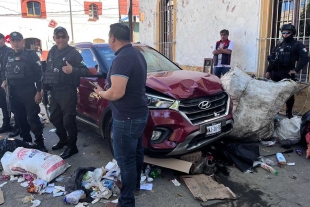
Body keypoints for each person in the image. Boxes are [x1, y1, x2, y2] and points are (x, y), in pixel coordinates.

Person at [94, 23, 149, 207]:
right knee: (136, 154)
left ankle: (126, 202)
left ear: (112, 38)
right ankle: (134, 188)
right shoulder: (136, 54)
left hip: (127, 117)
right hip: (138, 113)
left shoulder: (123, 58)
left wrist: (101, 92)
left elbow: (117, 93)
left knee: (125, 160)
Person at [43, 26, 89, 159]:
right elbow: (48, 71)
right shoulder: (52, 51)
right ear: (54, 39)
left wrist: (72, 70)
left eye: (63, 36)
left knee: (68, 120)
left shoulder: (73, 53)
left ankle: (72, 146)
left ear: (68, 38)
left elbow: (85, 70)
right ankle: (63, 140)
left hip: (68, 91)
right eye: (58, 37)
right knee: (54, 118)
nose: (61, 39)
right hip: (54, 91)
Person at [1, 32, 47, 151]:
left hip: (29, 92)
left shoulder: (31, 55)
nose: (16, 43)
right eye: (13, 41)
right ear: (10, 42)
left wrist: (39, 91)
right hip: (14, 93)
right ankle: (27, 143)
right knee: (20, 119)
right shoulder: (7, 56)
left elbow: (39, 74)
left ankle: (40, 143)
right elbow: (3, 71)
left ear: (23, 42)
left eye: (18, 40)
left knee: (33, 119)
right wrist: (4, 81)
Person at [266, 24, 309, 118]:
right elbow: (272, 59)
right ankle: (274, 114)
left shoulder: (297, 45)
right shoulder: (279, 45)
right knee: (275, 95)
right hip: (275, 73)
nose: (285, 34)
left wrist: (296, 70)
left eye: (287, 32)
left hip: (287, 74)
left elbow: (305, 58)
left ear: (292, 33)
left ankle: (289, 114)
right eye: (283, 32)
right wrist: (268, 71)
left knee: (289, 95)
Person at [0, 33, 21, 137]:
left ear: (3, 40)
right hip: (1, 82)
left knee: (12, 105)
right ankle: (6, 125)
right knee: (3, 105)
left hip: (8, 82)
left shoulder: (8, 52)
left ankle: (18, 126)